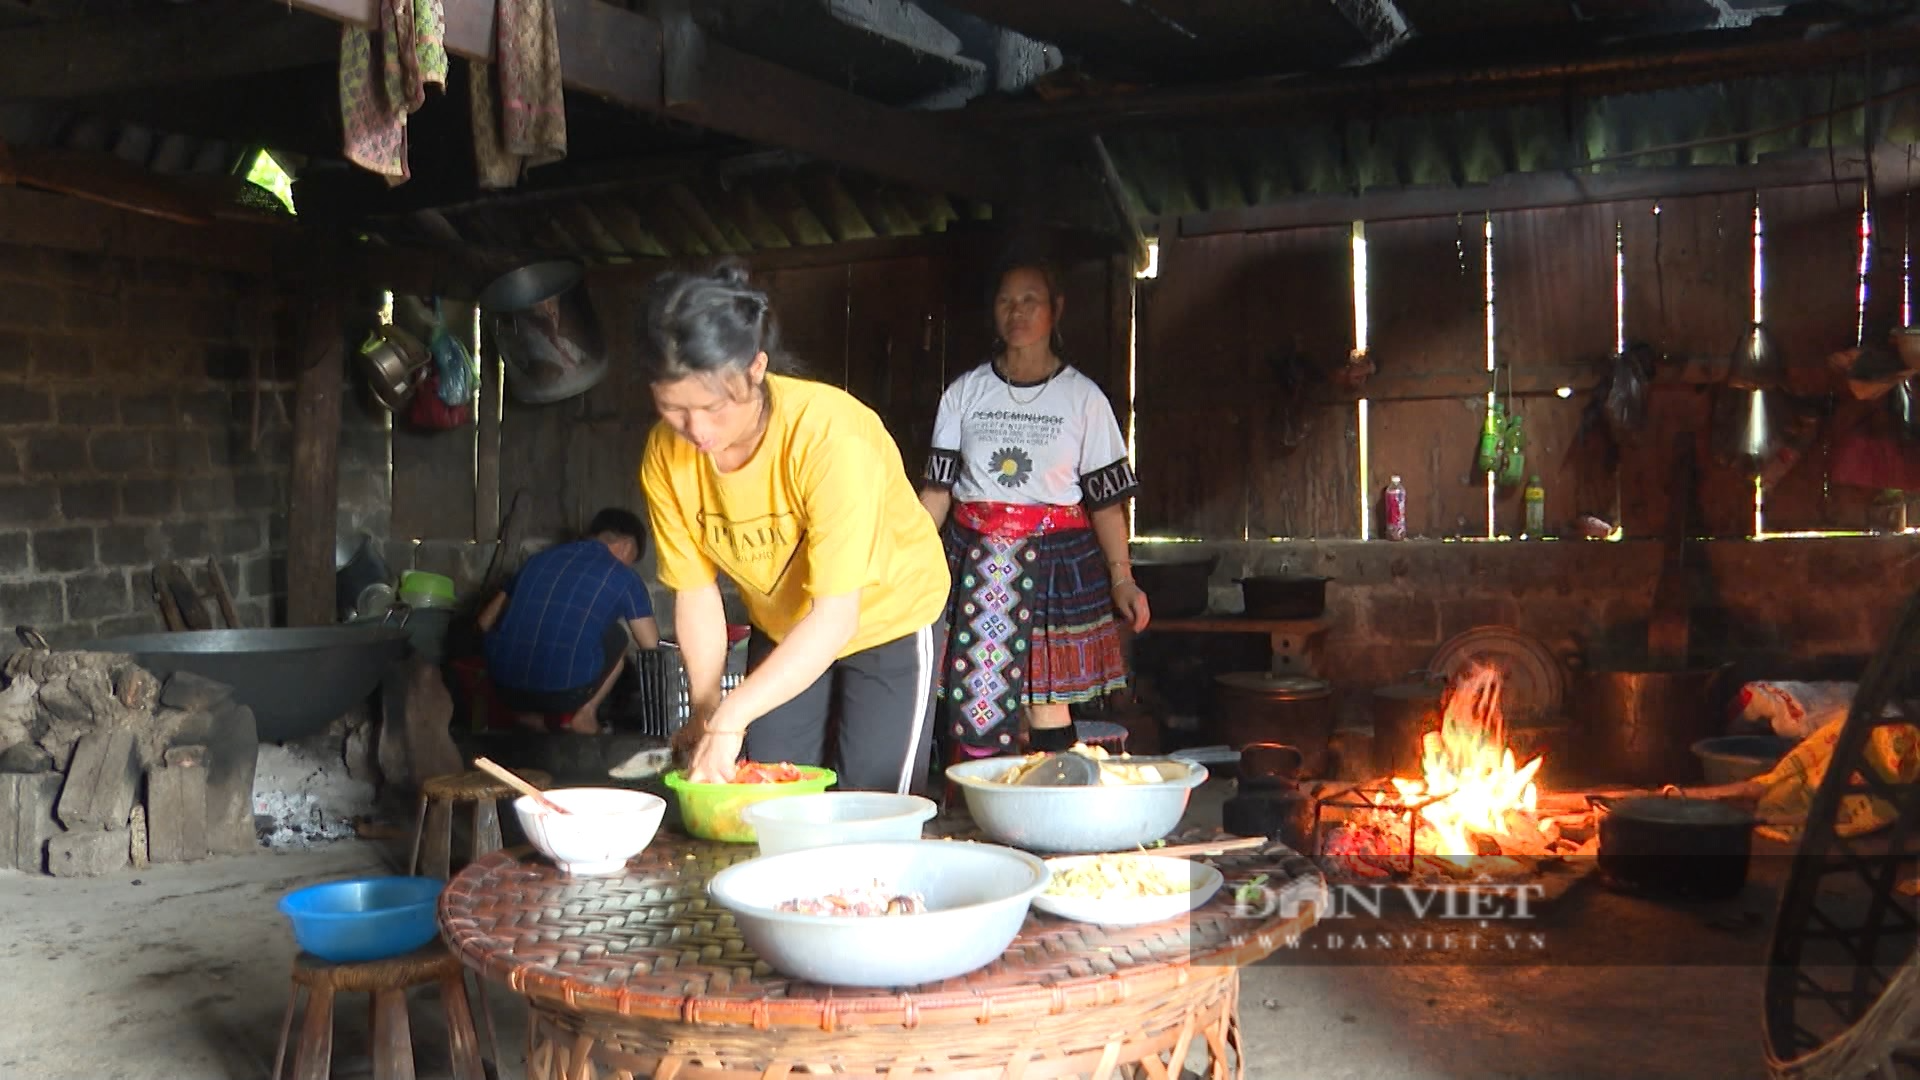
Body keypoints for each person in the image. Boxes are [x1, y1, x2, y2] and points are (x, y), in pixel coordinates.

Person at [638, 265, 951, 793]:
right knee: (764, 797)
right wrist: (710, 708)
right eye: (673, 409)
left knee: (872, 808)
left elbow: (834, 618)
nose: (696, 430)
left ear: (756, 368)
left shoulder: (829, 438)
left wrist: (733, 716)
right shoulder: (666, 457)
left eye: (713, 407)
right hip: (783, 624)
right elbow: (695, 593)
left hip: (886, 617)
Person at [918, 255, 1151, 758]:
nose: (1017, 312)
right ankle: (973, 808)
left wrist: (1122, 578)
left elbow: (1106, 504)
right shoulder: (966, 392)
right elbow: (937, 492)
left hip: (1054, 563)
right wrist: (907, 561)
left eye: (1031, 300)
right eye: (1006, 301)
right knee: (970, 693)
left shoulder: (1083, 399)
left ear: (1056, 309)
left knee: (1046, 700)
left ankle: (1050, 802)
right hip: (970, 557)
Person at [478, 508, 660, 735]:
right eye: (631, 559)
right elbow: (651, 645)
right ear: (626, 546)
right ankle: (584, 716)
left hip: (503, 688)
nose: (628, 565)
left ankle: (529, 717)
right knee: (618, 637)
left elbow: (484, 623)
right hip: (566, 693)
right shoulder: (623, 576)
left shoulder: (536, 561)